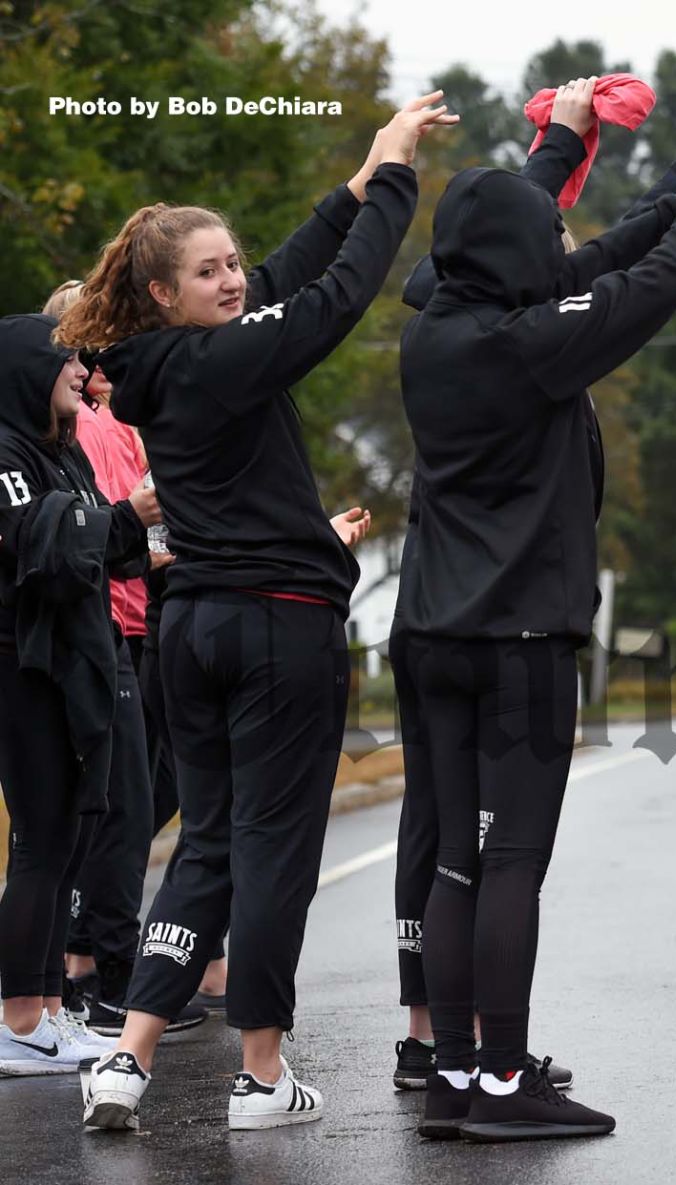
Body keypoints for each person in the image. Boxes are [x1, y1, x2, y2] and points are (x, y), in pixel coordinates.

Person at [58, 91, 453, 1133]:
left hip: (194, 625)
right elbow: (335, 297)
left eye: (231, 263)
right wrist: (401, 184)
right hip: (274, 628)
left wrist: (359, 178)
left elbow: (283, 279)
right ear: (158, 291)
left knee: (210, 845)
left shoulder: (171, 358)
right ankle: (263, 1076)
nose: (232, 279)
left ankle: (126, 1058)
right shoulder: (225, 358)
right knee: (274, 849)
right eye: (208, 271)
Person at [398, 87, 676, 1141]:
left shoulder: (440, 321)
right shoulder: (527, 346)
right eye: (548, 231)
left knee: (452, 861)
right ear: (520, 252)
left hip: (434, 632)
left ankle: (454, 1075)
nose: (561, 241)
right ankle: (507, 1081)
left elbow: (582, 253)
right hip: (516, 637)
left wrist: (598, 155)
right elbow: (653, 283)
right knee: (510, 859)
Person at [39, 283, 212, 1042]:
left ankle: (90, 954)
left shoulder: (130, 419)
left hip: (153, 616)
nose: (98, 353)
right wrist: (156, 545)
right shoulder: (82, 426)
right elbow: (112, 528)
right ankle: (95, 968)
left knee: (155, 793)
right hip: (108, 622)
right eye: (85, 339)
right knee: (115, 804)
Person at [0, 315, 156, 1076]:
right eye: (65, 358)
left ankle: (53, 1012)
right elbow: (42, 545)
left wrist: (148, 525)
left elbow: (111, 543)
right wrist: (129, 515)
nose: (81, 370)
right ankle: (18, 1018)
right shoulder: (5, 453)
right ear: (27, 369)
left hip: (76, 666)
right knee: (40, 842)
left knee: (69, 837)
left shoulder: (59, 453)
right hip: (24, 670)